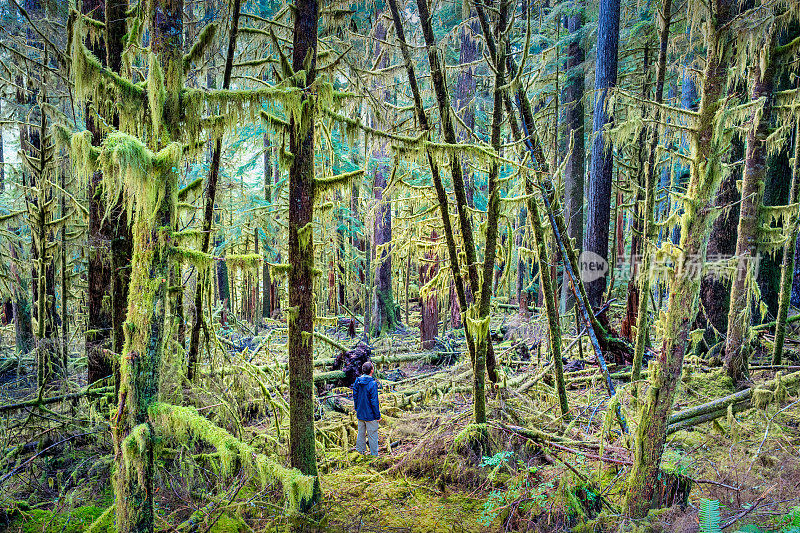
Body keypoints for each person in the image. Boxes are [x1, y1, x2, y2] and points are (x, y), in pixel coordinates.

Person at [352, 360, 380, 456]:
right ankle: (374, 455)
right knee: (372, 435)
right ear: (372, 370)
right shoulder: (372, 383)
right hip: (370, 415)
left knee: (361, 433)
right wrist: (377, 416)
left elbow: (355, 397)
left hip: (360, 413)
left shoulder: (357, 381)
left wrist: (357, 409)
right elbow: (374, 402)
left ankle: (360, 453)